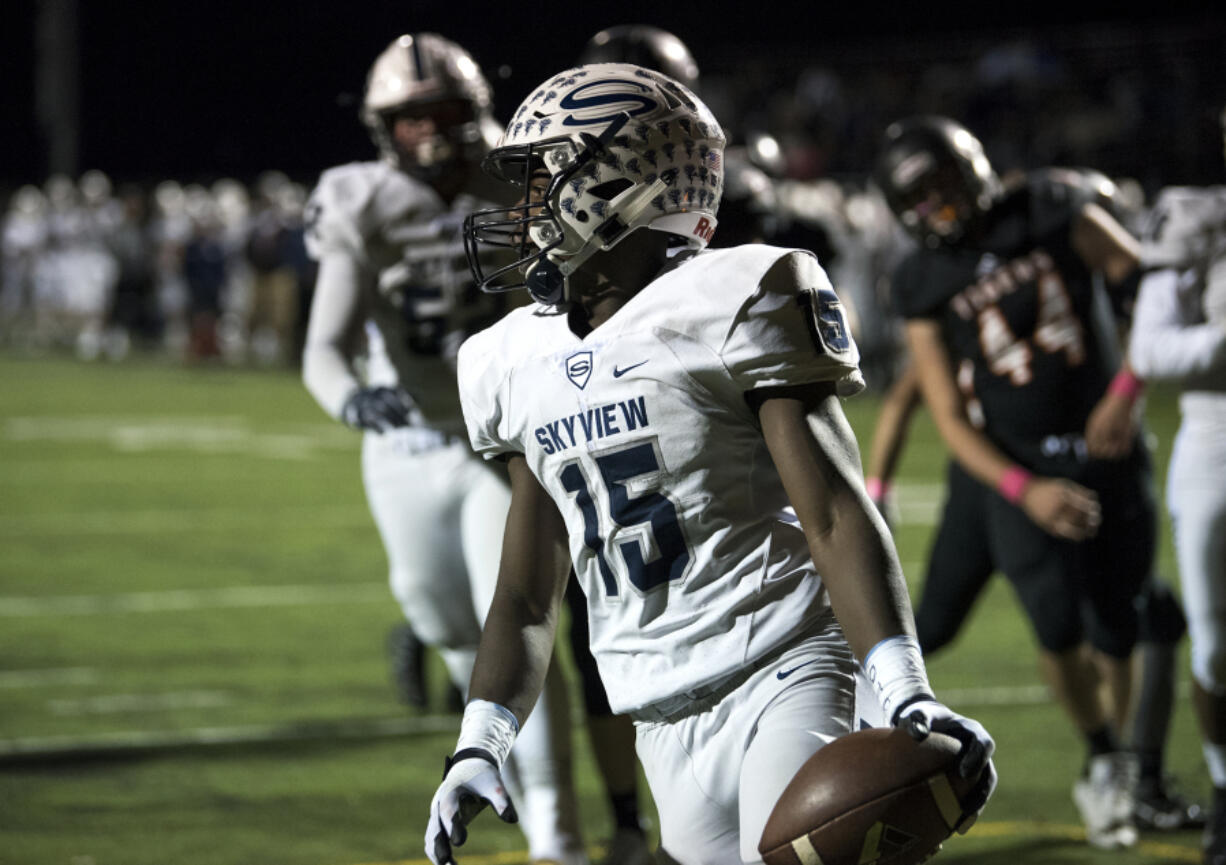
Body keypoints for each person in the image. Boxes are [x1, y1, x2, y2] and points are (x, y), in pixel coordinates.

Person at [423, 63, 996, 865]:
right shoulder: (512, 357)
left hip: (784, 667)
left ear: (620, 179)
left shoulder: (734, 295)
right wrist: (479, 742)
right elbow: (525, 592)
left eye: (544, 175)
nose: (522, 206)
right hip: (657, 713)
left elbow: (832, 510)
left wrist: (904, 689)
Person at [300, 33, 586, 865]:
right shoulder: (361, 198)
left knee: (518, 618)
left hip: (506, 442)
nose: (427, 132)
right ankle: (515, 783)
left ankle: (559, 837)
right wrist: (350, 393)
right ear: (382, 126)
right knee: (442, 618)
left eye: (442, 114)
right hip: (411, 437)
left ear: (473, 113)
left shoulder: (522, 171)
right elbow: (325, 343)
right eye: (409, 117)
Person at [867, 159, 1202, 832]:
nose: (936, 207)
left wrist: (1127, 390)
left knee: (1124, 618)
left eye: (942, 187)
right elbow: (933, 406)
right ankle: (1109, 759)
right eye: (918, 199)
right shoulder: (922, 281)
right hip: (1010, 471)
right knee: (1040, 621)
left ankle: (1130, 768)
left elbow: (1147, 288)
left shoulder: (1052, 208)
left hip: (1105, 451)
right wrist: (1020, 487)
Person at [1129, 130, 1226, 863]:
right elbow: (1150, 350)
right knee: (1217, 648)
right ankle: (1225, 788)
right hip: (1215, 439)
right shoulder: (1198, 217)